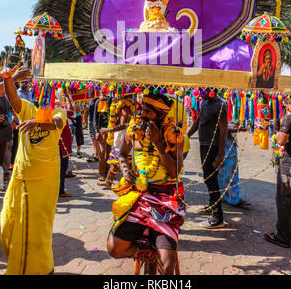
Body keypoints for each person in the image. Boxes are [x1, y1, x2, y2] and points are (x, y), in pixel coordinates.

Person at [107, 90, 185, 275]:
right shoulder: (134, 130)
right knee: (114, 248)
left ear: (162, 115)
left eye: (148, 112)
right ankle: (147, 253)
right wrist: (125, 171)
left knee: (166, 268)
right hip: (140, 196)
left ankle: (157, 253)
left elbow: (174, 171)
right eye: (142, 110)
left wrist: (158, 142)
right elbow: (122, 154)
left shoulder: (173, 134)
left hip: (167, 198)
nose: (142, 115)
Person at [0, 66, 67, 275]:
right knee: (10, 224)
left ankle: (41, 269)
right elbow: (13, 99)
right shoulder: (29, 108)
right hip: (20, 177)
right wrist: (9, 78)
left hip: (43, 179)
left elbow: (55, 124)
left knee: (36, 229)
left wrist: (38, 122)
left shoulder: (59, 112)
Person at [187, 89, 228, 228]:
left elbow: (223, 130)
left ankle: (217, 217)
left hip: (214, 146)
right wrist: (186, 136)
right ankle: (212, 205)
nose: (200, 92)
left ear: (212, 90)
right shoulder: (203, 102)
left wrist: (220, 154)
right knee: (207, 177)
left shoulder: (221, 105)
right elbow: (198, 121)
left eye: (204, 90)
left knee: (211, 179)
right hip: (203, 145)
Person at [264, 97, 291, 248]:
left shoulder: (290, 119)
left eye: (285, 107)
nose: (285, 110)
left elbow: (281, 141)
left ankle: (283, 237)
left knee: (284, 200)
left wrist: (277, 132)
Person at [101, 95, 135, 189]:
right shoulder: (123, 105)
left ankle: (130, 183)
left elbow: (123, 125)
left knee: (124, 159)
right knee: (116, 161)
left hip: (122, 136)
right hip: (120, 135)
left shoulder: (124, 107)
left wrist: (108, 130)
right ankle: (108, 181)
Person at [218, 122, 251, 209]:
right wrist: (237, 129)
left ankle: (223, 195)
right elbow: (222, 128)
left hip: (222, 142)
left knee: (223, 171)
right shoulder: (220, 109)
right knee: (230, 171)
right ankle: (233, 198)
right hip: (225, 143)